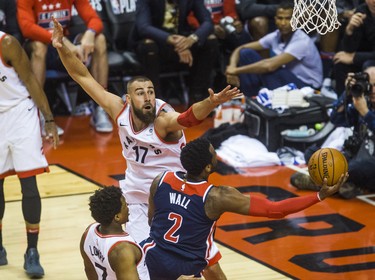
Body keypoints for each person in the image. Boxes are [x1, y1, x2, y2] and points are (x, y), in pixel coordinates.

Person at [51, 16, 242, 279]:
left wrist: (211, 103)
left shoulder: (164, 121)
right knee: (145, 263)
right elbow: (81, 74)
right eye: (141, 92)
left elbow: (187, 117)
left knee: (207, 264)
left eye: (151, 91)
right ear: (129, 99)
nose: (148, 96)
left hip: (175, 198)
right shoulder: (118, 110)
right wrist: (61, 47)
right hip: (136, 200)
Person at [141, 137, 348, 280]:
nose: (217, 156)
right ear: (207, 167)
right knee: (205, 252)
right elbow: (275, 210)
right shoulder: (217, 196)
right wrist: (320, 195)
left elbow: (152, 220)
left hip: (151, 258)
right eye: (213, 154)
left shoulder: (162, 179)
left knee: (210, 258)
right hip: (184, 268)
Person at [0, 31, 59, 277]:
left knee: (29, 185)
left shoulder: (7, 43)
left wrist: (49, 118)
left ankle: (32, 252)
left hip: (20, 113)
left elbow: (31, 80)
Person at [17, 0, 113, 133]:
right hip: (41, 44)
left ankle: (101, 108)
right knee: (39, 48)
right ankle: (38, 114)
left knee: (99, 40)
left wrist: (90, 34)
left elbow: (94, 19)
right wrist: (57, 38)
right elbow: (26, 28)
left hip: (62, 45)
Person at [291, 66, 375, 199]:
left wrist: (366, 113)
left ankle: (325, 184)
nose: (372, 90)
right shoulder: (363, 102)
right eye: (369, 85)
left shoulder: (364, 108)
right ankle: (344, 185)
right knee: (314, 154)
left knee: (356, 167)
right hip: (356, 156)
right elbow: (336, 118)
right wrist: (347, 93)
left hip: (369, 164)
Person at [226, 0, 323, 97]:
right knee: (246, 53)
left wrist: (235, 70)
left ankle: (255, 99)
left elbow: (269, 66)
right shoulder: (276, 35)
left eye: (288, 19)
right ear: (275, 19)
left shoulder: (301, 41)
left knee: (272, 69)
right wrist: (232, 66)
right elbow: (240, 48)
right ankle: (250, 98)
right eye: (280, 18)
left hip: (307, 87)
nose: (283, 23)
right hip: (288, 78)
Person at [130, 0, 220, 104]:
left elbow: (208, 22)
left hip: (182, 39)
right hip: (156, 41)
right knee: (149, 46)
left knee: (210, 41)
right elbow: (144, 27)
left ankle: (197, 97)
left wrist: (192, 39)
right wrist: (170, 39)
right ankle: (155, 101)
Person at [81, 186, 147, 279]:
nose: (128, 207)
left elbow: (89, 270)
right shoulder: (123, 249)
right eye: (125, 205)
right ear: (117, 216)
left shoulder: (88, 233)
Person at [333, 0, 375, 95]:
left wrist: (354, 57)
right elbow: (349, 49)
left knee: (369, 66)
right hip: (367, 55)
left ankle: (368, 105)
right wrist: (350, 29)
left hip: (369, 59)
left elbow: (352, 55)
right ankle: (342, 104)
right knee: (340, 63)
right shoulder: (362, 11)